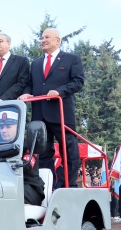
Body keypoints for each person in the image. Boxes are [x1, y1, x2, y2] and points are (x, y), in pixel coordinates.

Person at [19, 28, 84, 189]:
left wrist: (59, 92)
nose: (43, 40)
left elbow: (78, 81)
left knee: (68, 150)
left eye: (47, 37)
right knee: (43, 152)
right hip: (39, 114)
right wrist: (26, 94)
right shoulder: (36, 63)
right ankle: (47, 186)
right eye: (41, 38)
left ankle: (66, 185)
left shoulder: (71, 59)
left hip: (61, 113)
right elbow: (30, 85)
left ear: (58, 40)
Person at [0, 34, 30, 143]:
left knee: (17, 148)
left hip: (13, 111)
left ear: (9, 43)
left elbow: (22, 83)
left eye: (0, 41)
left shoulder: (21, 61)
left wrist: (3, 99)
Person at [0, 110, 45, 206]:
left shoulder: (30, 144)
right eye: (1, 127)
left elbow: (25, 166)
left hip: (29, 186)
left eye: (8, 127)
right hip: (4, 186)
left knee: (4, 198)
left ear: (19, 127)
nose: (4, 130)